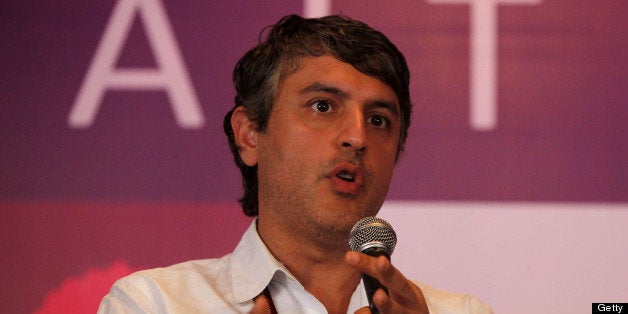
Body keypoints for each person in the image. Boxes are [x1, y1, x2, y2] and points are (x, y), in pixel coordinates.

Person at [98, 14, 493, 313]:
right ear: (250, 134)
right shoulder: (156, 304)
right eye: (323, 106)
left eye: (378, 120)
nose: (357, 137)